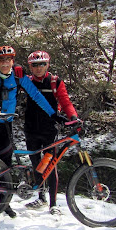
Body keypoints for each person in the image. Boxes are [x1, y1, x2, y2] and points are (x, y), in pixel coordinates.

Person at [0, 45, 63, 218]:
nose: (5, 64)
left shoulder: (18, 77)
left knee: (6, 162)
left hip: (6, 123)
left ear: (13, 61)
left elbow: (36, 95)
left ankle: (5, 202)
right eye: (1, 60)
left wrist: (53, 114)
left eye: (8, 60)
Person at [23, 51, 78, 215]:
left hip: (49, 130)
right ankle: (41, 196)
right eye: (34, 65)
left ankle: (53, 204)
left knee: (50, 166)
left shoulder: (55, 82)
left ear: (48, 64)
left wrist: (73, 117)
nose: (38, 68)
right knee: (36, 164)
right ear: (30, 66)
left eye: (42, 64)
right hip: (31, 129)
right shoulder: (27, 82)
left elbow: (65, 102)